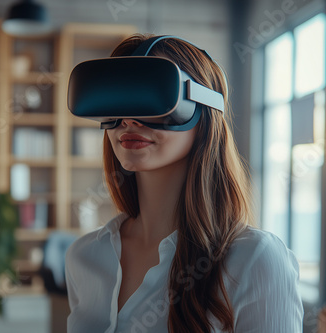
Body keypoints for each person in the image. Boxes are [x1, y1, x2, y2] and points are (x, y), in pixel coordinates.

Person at [65, 34, 303, 333]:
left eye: (150, 95)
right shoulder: (83, 257)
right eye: (118, 98)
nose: (128, 119)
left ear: (203, 107)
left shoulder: (255, 260)